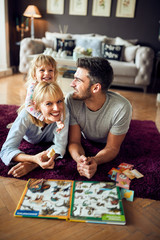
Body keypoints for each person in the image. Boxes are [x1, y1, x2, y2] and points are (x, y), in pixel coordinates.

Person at [66, 57, 132, 179]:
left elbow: (112, 147)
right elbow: (74, 141)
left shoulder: (122, 107)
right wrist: (80, 160)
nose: (72, 84)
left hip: (108, 139)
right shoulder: (71, 100)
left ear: (95, 88)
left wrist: (95, 160)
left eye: (78, 80)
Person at [0, 81, 69, 178]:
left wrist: (33, 164)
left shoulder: (64, 111)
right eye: (49, 103)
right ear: (37, 106)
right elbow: (6, 150)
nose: (57, 108)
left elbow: (60, 145)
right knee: (18, 123)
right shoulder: (25, 115)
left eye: (59, 101)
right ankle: (14, 124)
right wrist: (33, 158)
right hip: (30, 135)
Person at [25, 54, 64, 132]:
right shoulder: (33, 87)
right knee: (24, 114)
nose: (46, 73)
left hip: (48, 112)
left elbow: (58, 105)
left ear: (54, 73)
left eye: (50, 70)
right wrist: (42, 117)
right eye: (42, 70)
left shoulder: (54, 86)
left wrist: (59, 121)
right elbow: (28, 105)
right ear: (35, 75)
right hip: (36, 113)